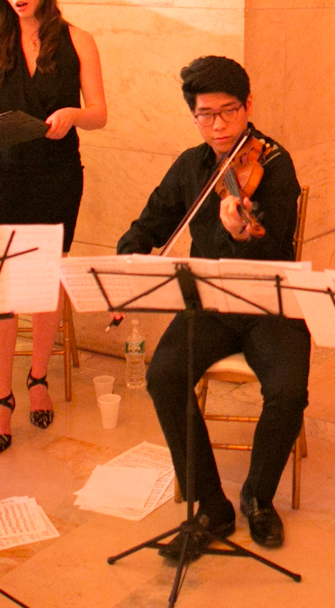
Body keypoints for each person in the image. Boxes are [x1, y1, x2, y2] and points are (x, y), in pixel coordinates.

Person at [117, 55, 306, 562]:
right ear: (194, 115)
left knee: (288, 389)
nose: (219, 126)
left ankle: (258, 496)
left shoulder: (275, 164)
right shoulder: (190, 166)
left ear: (248, 107)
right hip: (210, 304)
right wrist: (125, 259)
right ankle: (212, 505)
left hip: (272, 303)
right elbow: (152, 222)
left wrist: (240, 229)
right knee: (164, 374)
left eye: (228, 112)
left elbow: (276, 235)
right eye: (206, 115)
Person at [0, 0, 106, 455]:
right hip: (7, 173)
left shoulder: (78, 39)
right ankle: (3, 396)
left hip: (59, 172)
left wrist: (71, 114)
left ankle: (37, 378)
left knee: (44, 278)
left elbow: (100, 113)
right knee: (2, 285)